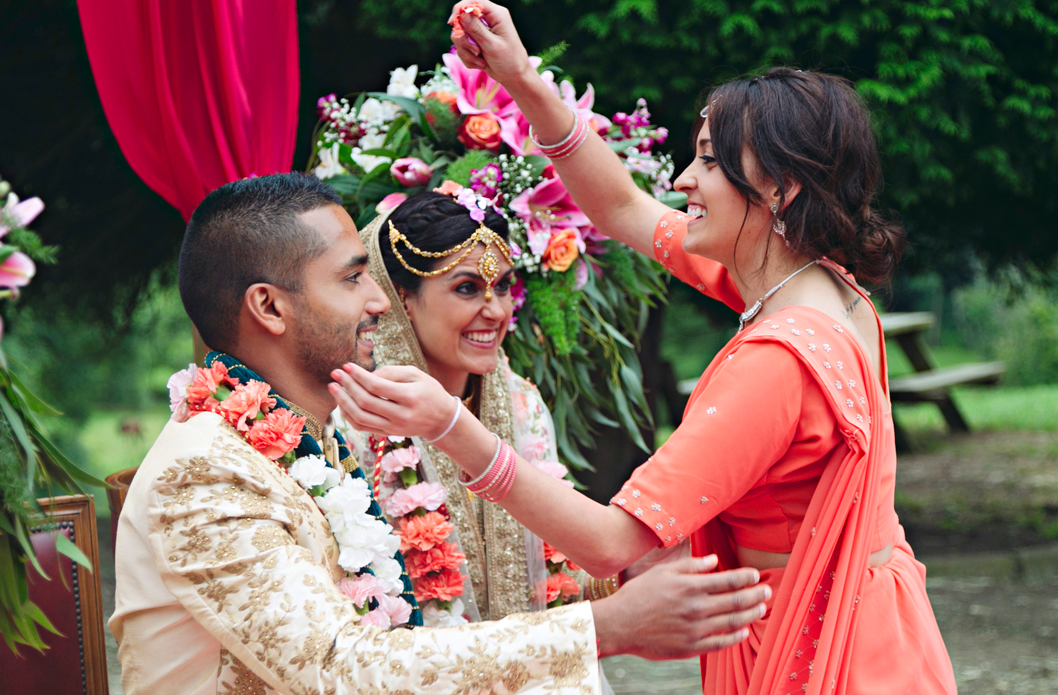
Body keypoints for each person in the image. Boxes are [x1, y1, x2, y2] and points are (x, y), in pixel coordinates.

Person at [328, 0, 959, 694]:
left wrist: (451, 426)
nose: (684, 181)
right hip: (884, 626)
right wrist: (523, 79)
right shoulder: (820, 288)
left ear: (780, 188)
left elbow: (609, 542)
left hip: (817, 642)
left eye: (710, 163)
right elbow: (622, 207)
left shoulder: (777, 362)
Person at [109, 172, 772, 695]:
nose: (377, 300)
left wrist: (629, 577)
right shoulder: (207, 469)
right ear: (269, 306)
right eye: (352, 276)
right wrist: (605, 627)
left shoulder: (315, 444)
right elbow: (342, 666)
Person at [334, 189, 598, 627]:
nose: (494, 311)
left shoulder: (523, 404)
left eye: (502, 287)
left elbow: (555, 569)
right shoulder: (361, 419)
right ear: (403, 300)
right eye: (467, 288)